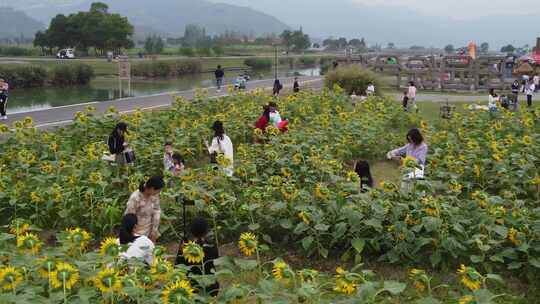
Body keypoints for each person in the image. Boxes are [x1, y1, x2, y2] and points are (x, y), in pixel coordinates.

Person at [175, 217, 220, 296]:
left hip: (191, 287)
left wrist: (182, 248)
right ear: (206, 231)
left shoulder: (186, 248)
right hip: (211, 287)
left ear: (191, 231)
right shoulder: (211, 245)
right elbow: (216, 260)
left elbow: (178, 265)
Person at [124, 176, 165, 242]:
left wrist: (154, 231)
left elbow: (157, 210)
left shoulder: (154, 195)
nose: (158, 193)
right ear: (152, 188)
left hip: (149, 230)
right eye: (158, 191)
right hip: (136, 232)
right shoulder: (135, 198)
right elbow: (129, 218)